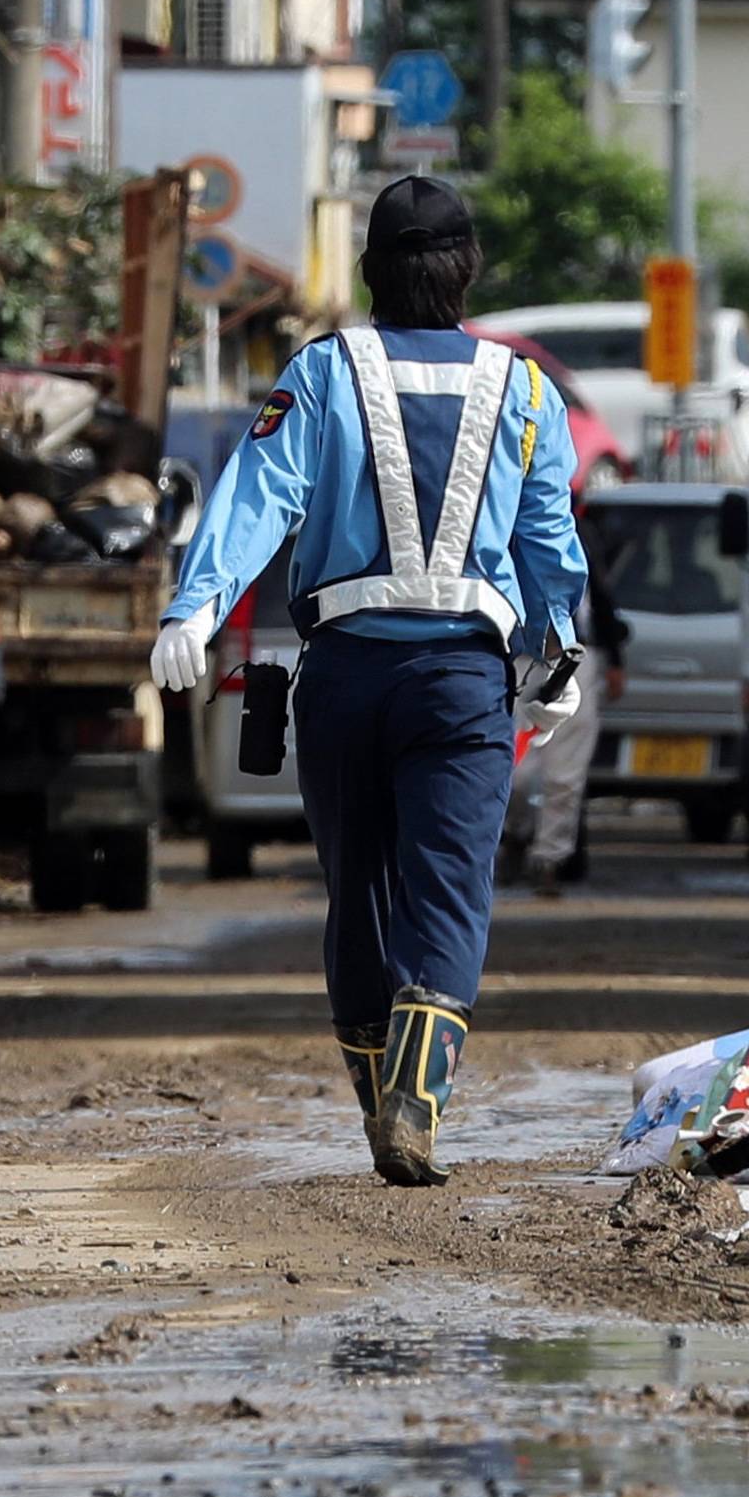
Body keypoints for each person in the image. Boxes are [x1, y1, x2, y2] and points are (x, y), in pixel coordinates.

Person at [151, 175, 588, 1187]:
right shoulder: (522, 390)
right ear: (465, 268)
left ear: (370, 273)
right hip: (461, 683)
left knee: (357, 890)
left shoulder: (317, 372)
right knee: (447, 890)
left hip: (343, 674)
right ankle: (415, 1099)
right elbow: (547, 541)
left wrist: (195, 608)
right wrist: (556, 647)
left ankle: (374, 1097)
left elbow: (255, 495)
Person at [510, 568, 626, 898]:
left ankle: (548, 860)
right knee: (514, 772)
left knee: (565, 775)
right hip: (520, 658)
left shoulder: (580, 532)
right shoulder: (500, 522)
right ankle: (517, 831)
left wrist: (615, 658)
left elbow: (601, 596)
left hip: (576, 659)